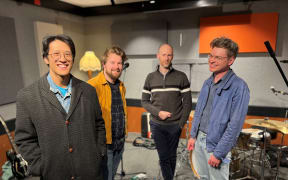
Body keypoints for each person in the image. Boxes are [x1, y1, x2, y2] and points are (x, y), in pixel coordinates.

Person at [15, 34, 106, 180]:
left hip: (90, 172)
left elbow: (99, 124)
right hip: (53, 174)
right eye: (56, 54)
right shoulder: (27, 96)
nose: (63, 59)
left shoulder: (88, 91)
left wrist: (99, 152)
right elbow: (24, 140)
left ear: (73, 58)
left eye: (67, 54)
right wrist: (40, 166)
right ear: (46, 58)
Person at [187, 37, 250, 180]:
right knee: (202, 177)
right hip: (199, 141)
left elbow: (234, 126)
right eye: (210, 56)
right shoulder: (207, 82)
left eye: (217, 57)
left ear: (230, 60)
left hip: (216, 146)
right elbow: (199, 112)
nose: (211, 60)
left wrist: (219, 153)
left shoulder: (239, 87)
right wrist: (193, 135)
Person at [142, 44, 192, 180]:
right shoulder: (150, 77)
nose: (166, 58)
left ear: (173, 56)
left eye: (169, 55)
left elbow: (187, 103)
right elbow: (144, 101)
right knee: (164, 157)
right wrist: (158, 113)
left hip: (175, 126)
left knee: (172, 156)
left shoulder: (181, 77)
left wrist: (180, 125)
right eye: (163, 54)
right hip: (157, 125)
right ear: (158, 56)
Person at [87, 46, 128, 180]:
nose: (117, 66)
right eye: (112, 62)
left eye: (120, 63)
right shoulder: (91, 86)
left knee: (112, 175)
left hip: (119, 142)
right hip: (104, 145)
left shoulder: (121, 86)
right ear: (104, 64)